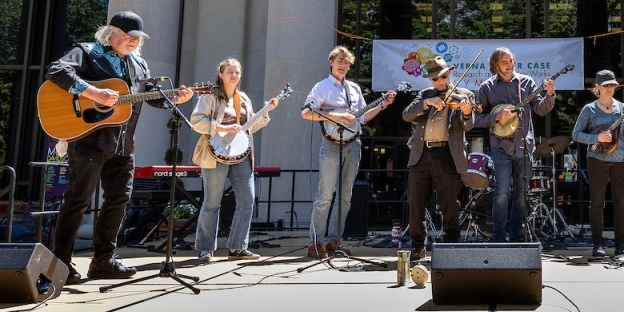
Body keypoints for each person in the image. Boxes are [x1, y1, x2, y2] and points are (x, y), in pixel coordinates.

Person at [46, 11, 194, 284]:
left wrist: (176, 99)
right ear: (109, 33)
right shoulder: (87, 51)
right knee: (78, 201)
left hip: (123, 144)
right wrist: (92, 93)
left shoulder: (140, 64)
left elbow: (152, 98)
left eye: (137, 38)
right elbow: (57, 70)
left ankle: (103, 261)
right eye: (127, 36)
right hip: (89, 140)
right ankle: (61, 263)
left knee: (118, 201)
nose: (133, 42)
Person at [301, 46, 395, 258]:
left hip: (353, 144)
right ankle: (315, 243)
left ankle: (335, 240)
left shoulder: (353, 88)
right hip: (331, 145)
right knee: (325, 195)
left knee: (345, 197)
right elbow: (306, 113)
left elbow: (362, 118)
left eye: (347, 62)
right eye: (340, 61)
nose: (343, 65)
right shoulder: (322, 87)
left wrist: (383, 105)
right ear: (331, 62)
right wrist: (336, 115)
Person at [191, 58, 279, 263]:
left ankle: (238, 247)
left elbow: (247, 129)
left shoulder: (244, 98)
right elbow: (196, 122)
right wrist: (221, 128)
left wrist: (265, 113)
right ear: (220, 74)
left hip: (241, 157)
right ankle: (205, 249)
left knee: (247, 201)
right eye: (230, 71)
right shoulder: (210, 95)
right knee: (212, 202)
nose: (234, 75)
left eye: (237, 72)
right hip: (215, 155)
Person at [473, 47, 555, 242]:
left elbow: (541, 109)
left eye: (511, 61)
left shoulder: (526, 82)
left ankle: (517, 235)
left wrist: (550, 94)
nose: (510, 65)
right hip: (500, 146)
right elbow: (475, 118)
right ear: (495, 65)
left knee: (521, 193)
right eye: (505, 62)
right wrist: (495, 117)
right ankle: (499, 236)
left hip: (524, 146)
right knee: (501, 192)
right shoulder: (487, 87)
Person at [402, 57, 474, 261]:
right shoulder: (424, 95)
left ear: (449, 74)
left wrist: (467, 113)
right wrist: (426, 103)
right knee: (415, 201)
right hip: (421, 153)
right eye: (436, 79)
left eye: (443, 77)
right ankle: (417, 245)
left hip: (447, 154)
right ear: (431, 81)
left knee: (449, 202)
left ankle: (450, 242)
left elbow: (468, 126)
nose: (441, 82)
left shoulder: (464, 95)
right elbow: (406, 115)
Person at [572, 70, 624, 257]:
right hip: (597, 160)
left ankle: (621, 244)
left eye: (612, 85)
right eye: (606, 85)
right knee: (597, 204)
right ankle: (598, 243)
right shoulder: (590, 110)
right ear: (598, 87)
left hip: (621, 160)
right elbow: (576, 134)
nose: (610, 88)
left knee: (621, 203)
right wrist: (596, 138)